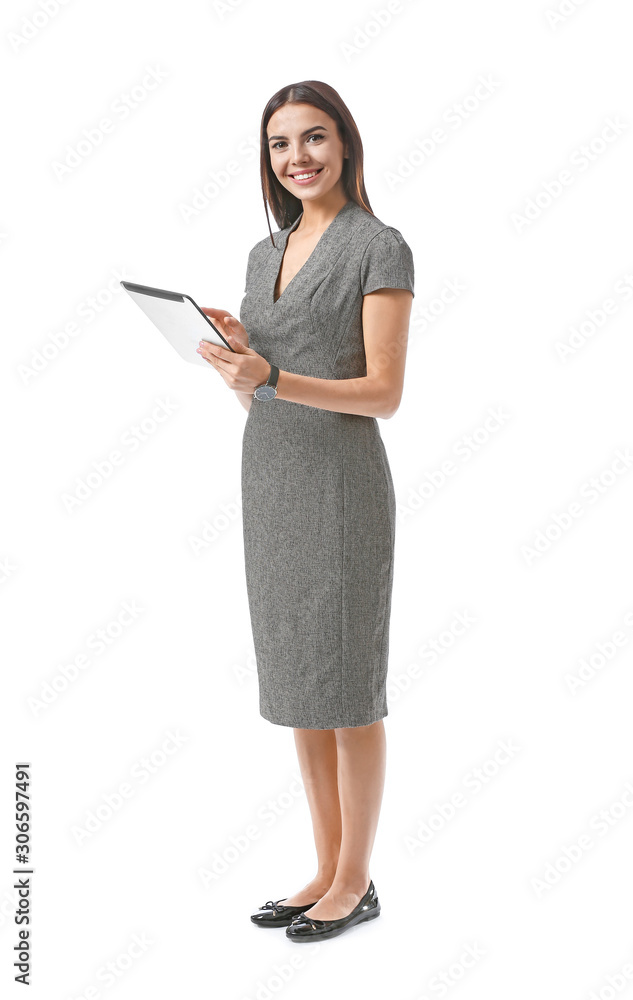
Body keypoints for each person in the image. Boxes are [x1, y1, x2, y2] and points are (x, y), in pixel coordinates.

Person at [198, 80, 414, 942]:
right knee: (302, 686)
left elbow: (384, 393)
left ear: (347, 145)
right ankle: (323, 869)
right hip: (271, 481)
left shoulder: (379, 247)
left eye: (314, 138)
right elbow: (265, 401)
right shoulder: (265, 254)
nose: (299, 158)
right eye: (282, 144)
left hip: (340, 488)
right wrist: (243, 362)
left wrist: (277, 375)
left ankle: (356, 880)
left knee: (349, 691)